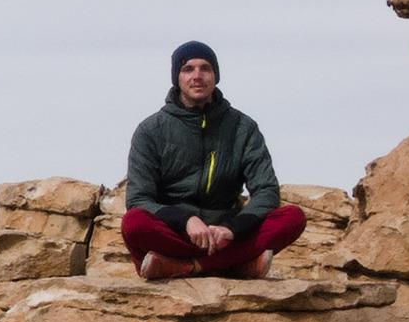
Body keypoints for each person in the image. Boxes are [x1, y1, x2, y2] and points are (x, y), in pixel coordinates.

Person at [120, 41, 307, 280]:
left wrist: (232, 228)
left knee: (292, 218)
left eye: (205, 68)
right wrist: (186, 220)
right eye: (188, 69)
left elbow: (266, 191)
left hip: (224, 234)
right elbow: (138, 198)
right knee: (134, 223)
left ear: (215, 76)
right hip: (175, 233)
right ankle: (233, 265)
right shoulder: (150, 130)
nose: (197, 76)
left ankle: (182, 267)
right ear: (176, 77)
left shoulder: (243, 128)